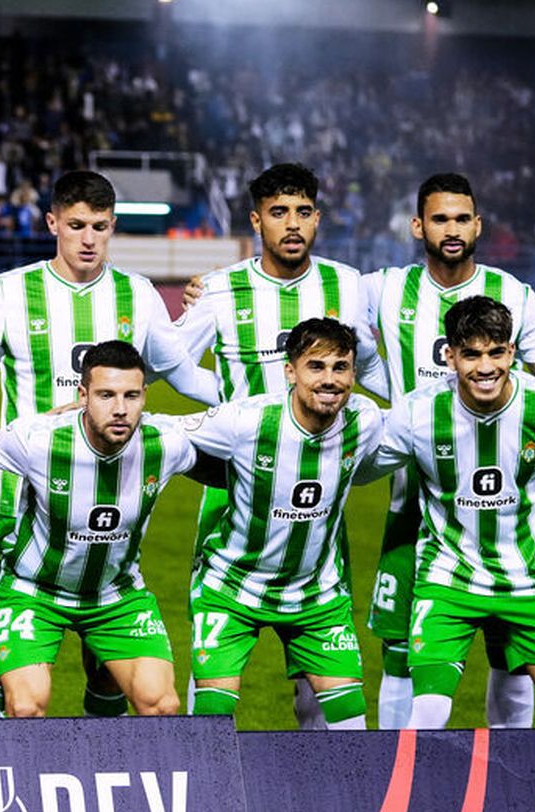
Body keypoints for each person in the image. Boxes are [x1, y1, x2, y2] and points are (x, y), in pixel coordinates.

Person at [0, 170, 219, 720]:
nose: (88, 239)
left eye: (99, 226)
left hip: (114, 501)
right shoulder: (10, 292)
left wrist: (275, 404)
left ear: (113, 226)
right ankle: (4, 753)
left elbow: (188, 378)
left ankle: (102, 774)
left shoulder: (136, 295)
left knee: (109, 668)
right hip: (26, 503)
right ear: (52, 223)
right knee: (16, 672)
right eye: (76, 225)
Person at [361, 173, 535, 729]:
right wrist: (212, 285)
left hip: (499, 494)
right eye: (440, 218)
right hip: (411, 493)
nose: (452, 229)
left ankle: (505, 787)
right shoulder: (384, 288)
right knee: (401, 647)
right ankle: (403, 773)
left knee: (510, 652)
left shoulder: (516, 295)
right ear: (419, 226)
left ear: (478, 224)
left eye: (463, 218)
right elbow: (306, 281)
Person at [175, 162, 383, 728]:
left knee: (317, 680)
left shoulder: (347, 284)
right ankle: (206, 770)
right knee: (214, 670)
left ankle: (320, 790)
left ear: (317, 218)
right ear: (256, 220)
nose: (292, 224)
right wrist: (218, 399)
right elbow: (169, 361)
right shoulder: (221, 288)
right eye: (278, 213)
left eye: (303, 212)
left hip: (317, 494)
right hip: (235, 488)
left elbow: (373, 370)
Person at [0, 341, 214, 717]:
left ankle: (104, 769)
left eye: (131, 395)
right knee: (28, 706)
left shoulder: (167, 441)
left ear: (145, 396)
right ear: (83, 395)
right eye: (105, 395)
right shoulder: (39, 439)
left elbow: (237, 457)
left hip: (117, 596)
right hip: (34, 592)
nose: (120, 409)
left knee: (162, 705)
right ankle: (2, 697)